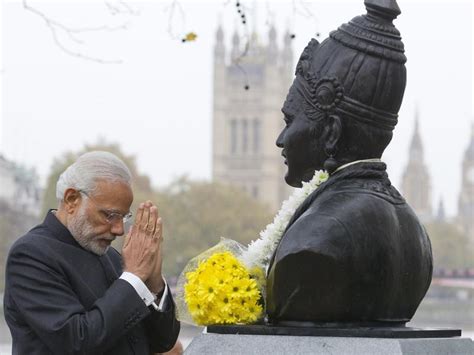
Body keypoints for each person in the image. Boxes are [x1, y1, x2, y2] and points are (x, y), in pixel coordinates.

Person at [266, 0, 433, 325]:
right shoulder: (418, 237)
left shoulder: (317, 239)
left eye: (291, 120)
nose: (281, 139)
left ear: (330, 133)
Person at [3, 151, 180, 354]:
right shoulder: (30, 256)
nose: (119, 229)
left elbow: (163, 343)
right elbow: (77, 342)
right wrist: (134, 277)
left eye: (123, 217)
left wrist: (154, 285)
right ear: (72, 200)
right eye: (110, 215)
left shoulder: (113, 258)